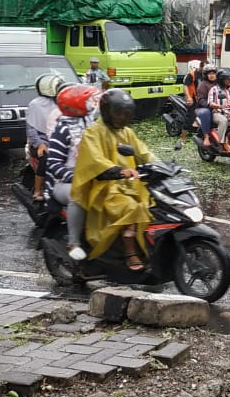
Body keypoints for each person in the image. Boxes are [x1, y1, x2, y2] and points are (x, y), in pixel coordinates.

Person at [71, 89, 155, 270]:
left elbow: (143, 152)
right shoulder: (93, 132)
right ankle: (130, 253)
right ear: (107, 111)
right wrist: (119, 171)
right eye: (118, 113)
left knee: (155, 203)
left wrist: (161, 166)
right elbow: (95, 161)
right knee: (132, 208)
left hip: (131, 185)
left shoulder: (127, 132)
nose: (122, 118)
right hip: (105, 188)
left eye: (126, 114)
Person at [47, 84, 100, 261]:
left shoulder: (92, 123)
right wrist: (76, 177)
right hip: (64, 183)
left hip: (94, 177)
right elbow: (53, 163)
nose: (92, 104)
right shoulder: (62, 129)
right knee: (78, 196)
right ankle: (74, 242)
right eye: (88, 101)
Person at [25, 73, 64, 200]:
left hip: (60, 140)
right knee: (46, 158)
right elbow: (31, 130)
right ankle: (37, 191)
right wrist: (40, 144)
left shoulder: (63, 102)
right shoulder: (35, 104)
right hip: (41, 142)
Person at [174, 64, 208, 150]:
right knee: (190, 119)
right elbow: (185, 86)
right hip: (193, 99)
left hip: (202, 99)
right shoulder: (192, 74)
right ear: (200, 67)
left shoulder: (207, 75)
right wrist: (188, 97)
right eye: (205, 68)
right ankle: (181, 139)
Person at [208, 67, 230, 146]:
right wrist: (219, 106)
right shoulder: (214, 90)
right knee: (223, 120)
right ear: (221, 80)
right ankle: (220, 143)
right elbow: (211, 103)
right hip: (218, 113)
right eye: (227, 79)